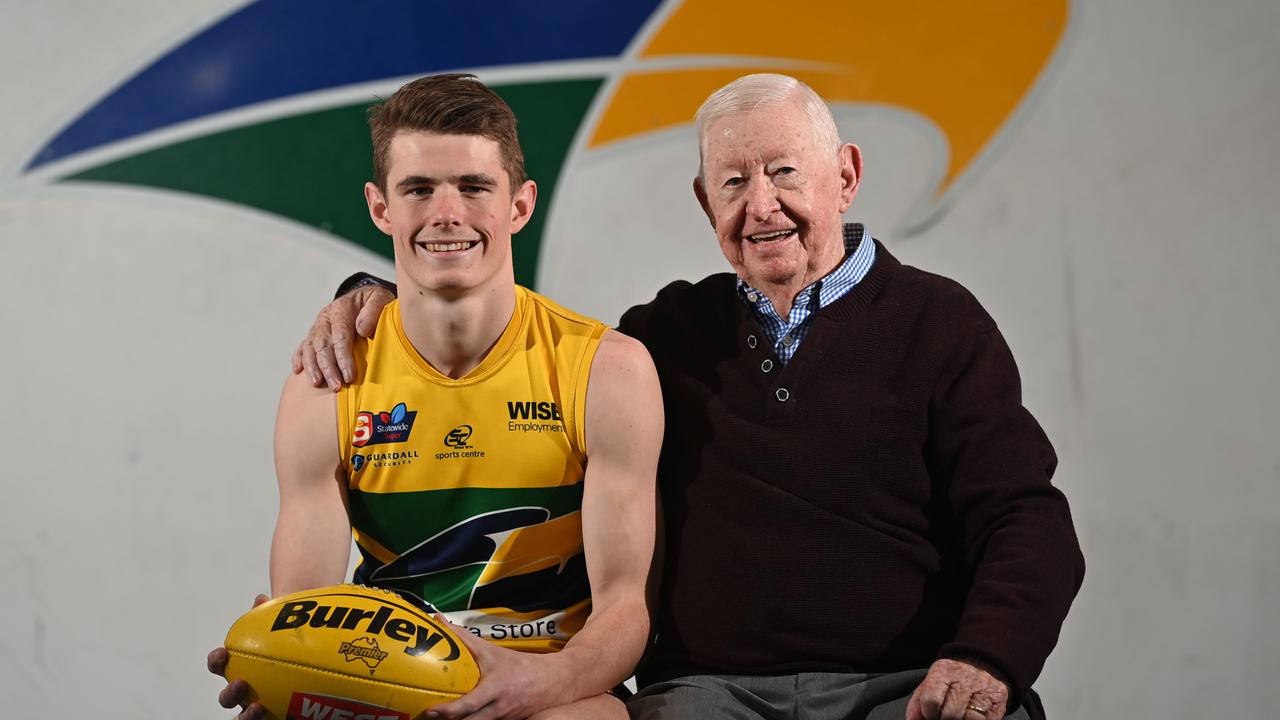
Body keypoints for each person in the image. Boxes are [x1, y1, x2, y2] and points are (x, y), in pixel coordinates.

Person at [296, 74, 1084, 720]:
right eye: (733, 182)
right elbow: (504, 336)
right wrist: (374, 298)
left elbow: (1026, 515)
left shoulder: (939, 323)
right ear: (707, 204)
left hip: (906, 685)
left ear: (844, 176)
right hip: (708, 696)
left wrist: (985, 658)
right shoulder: (662, 336)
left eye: (783, 172)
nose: (761, 205)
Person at [210, 73, 664, 720]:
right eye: (418, 189)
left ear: (519, 205)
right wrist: (280, 667)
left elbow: (625, 609)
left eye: (474, 188)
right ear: (380, 208)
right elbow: (306, 608)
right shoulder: (326, 385)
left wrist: (531, 687)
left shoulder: (606, 372)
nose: (446, 214)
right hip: (389, 685)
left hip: (549, 688)